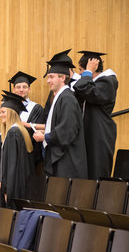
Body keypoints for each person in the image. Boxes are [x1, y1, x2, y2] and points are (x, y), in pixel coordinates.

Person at [33, 58, 88, 179]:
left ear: (63, 78)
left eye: (51, 77)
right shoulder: (61, 97)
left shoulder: (67, 99)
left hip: (68, 162)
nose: (48, 81)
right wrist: (47, 132)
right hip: (63, 161)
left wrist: (45, 137)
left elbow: (67, 131)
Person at [73, 50, 118, 180]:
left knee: (97, 171)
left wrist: (88, 71)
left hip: (100, 133)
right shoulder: (93, 82)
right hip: (90, 131)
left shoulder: (108, 82)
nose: (80, 73)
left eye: (81, 69)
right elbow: (78, 90)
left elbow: (84, 89)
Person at [0, 92, 34, 208]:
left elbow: (12, 167)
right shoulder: (17, 131)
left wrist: (6, 189)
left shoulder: (13, 133)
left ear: (12, 113)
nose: (1, 115)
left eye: (3, 112)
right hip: (14, 186)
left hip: (11, 189)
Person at [8, 71, 46, 173]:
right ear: (13, 89)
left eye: (24, 87)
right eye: (18, 87)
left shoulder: (36, 108)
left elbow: (36, 135)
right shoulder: (9, 108)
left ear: (29, 89)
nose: (21, 90)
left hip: (28, 156)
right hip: (11, 153)